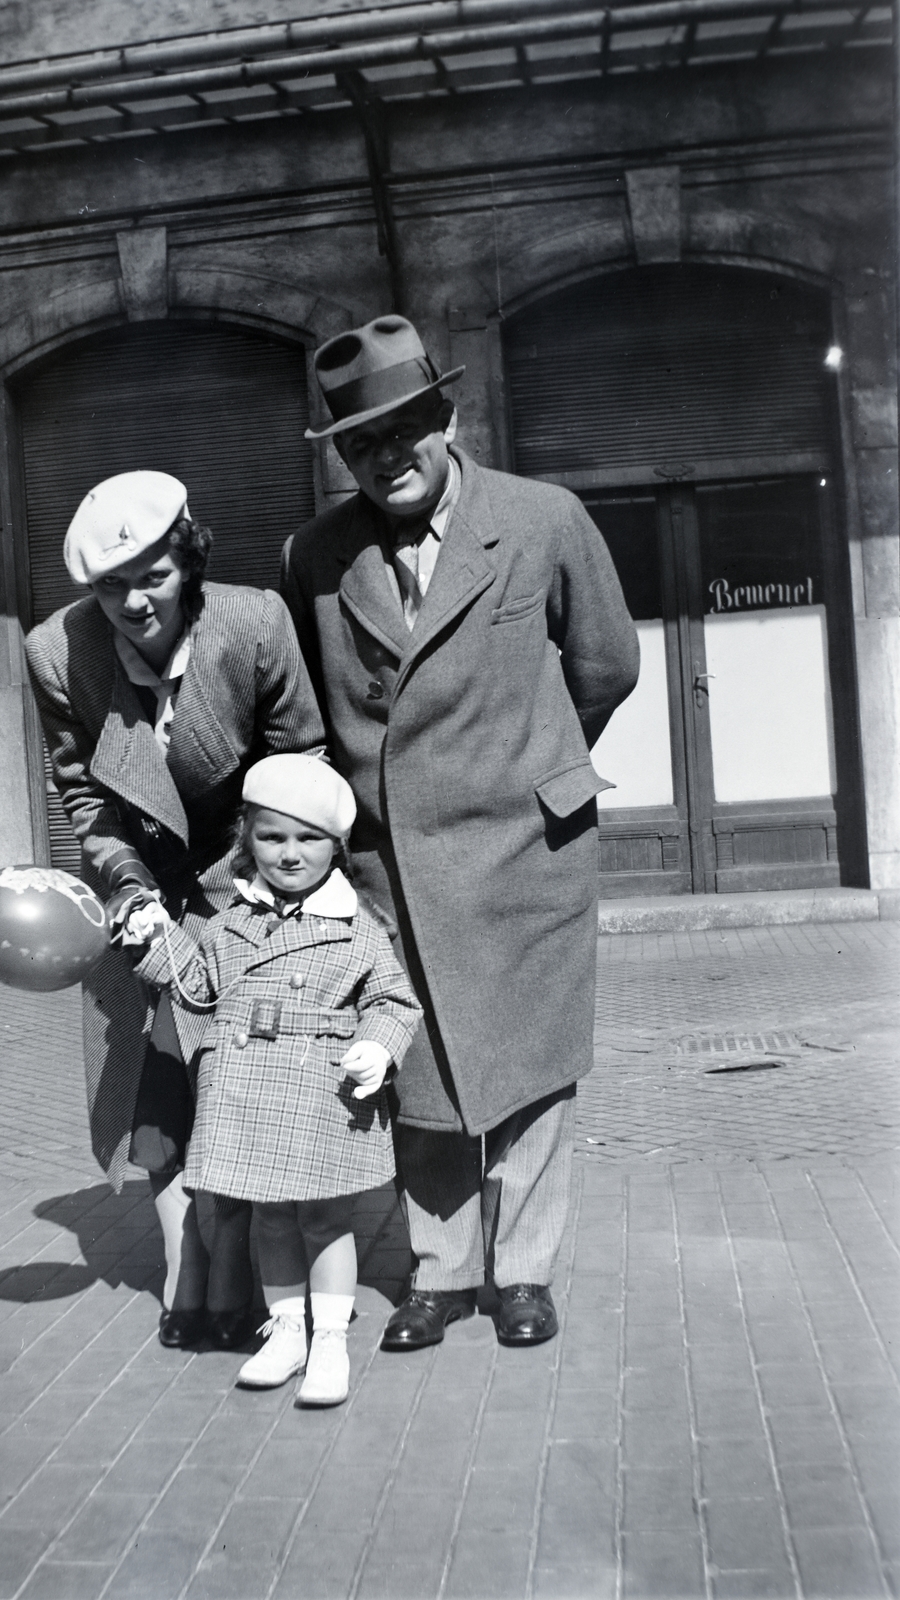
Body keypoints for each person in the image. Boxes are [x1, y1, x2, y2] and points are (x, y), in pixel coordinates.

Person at [281, 316, 640, 1352]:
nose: (385, 456)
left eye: (403, 429)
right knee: (415, 1065)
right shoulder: (314, 555)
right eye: (360, 441)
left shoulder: (540, 519)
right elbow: (306, 706)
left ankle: (521, 1273)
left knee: (528, 1066)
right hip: (391, 864)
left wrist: (534, 760)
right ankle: (439, 1271)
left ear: (445, 415)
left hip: (529, 848)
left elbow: (605, 662)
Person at [25, 471, 325, 1350]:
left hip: (254, 887)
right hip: (144, 901)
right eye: (110, 587)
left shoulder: (253, 622)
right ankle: (183, 1287)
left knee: (245, 1093)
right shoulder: (57, 653)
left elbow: (300, 762)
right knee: (158, 1105)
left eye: (150, 576)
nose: (132, 602)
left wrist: (248, 890)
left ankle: (235, 1283)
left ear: (187, 560)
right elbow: (85, 797)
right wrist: (131, 897)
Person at [134, 754, 421, 1405]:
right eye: (271, 837)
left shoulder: (358, 929)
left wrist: (378, 1047)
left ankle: (330, 1342)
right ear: (247, 841)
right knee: (269, 1220)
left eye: (308, 840)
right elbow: (197, 988)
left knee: (324, 1221)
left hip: (321, 1093)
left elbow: (393, 1002)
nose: (290, 855)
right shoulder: (229, 924)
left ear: (336, 846)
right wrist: (154, 940)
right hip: (249, 1095)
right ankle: (288, 1330)